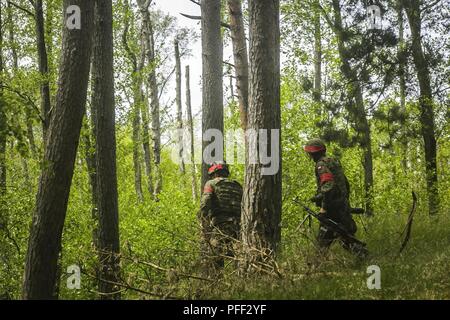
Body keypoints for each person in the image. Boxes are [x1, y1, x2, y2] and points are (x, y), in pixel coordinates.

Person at [304, 138, 367, 258]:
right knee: (346, 238)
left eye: (309, 153)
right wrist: (321, 197)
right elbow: (344, 183)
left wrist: (324, 208)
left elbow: (328, 185)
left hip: (332, 209)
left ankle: (315, 268)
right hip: (341, 206)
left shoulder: (321, 165)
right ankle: (364, 258)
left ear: (313, 153)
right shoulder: (333, 161)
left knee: (324, 242)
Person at [199, 161, 243, 273]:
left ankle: (217, 286)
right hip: (239, 227)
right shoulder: (238, 185)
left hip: (220, 226)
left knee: (215, 259)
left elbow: (205, 203)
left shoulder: (211, 183)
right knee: (239, 259)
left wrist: (202, 221)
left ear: (214, 172)